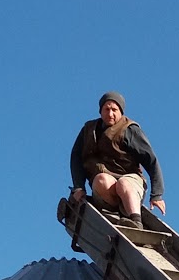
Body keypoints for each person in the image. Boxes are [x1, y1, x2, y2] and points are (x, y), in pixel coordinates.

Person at [69, 92, 166, 224]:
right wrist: (79, 187)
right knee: (101, 179)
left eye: (114, 110)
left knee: (123, 184)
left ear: (120, 111)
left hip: (130, 181)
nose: (110, 114)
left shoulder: (129, 129)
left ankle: (135, 221)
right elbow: (76, 157)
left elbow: (151, 160)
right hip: (107, 189)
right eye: (106, 109)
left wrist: (157, 195)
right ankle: (115, 209)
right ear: (100, 111)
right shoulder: (88, 130)